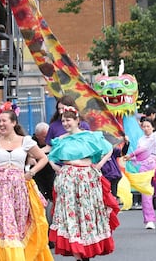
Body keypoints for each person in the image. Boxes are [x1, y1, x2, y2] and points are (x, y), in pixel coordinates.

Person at [0, 104, 53, 261]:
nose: (0, 124)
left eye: (4, 120)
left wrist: (31, 173)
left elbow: (43, 158)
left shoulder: (26, 141)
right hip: (0, 190)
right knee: (6, 227)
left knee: (20, 227)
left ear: (13, 123)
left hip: (19, 189)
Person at [48, 105, 119, 258]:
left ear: (77, 120)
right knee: (71, 213)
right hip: (68, 179)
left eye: (68, 120)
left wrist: (99, 165)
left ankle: (86, 251)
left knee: (86, 212)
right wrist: (58, 169)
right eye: (63, 121)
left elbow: (109, 149)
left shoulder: (90, 136)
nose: (65, 124)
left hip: (87, 178)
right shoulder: (61, 140)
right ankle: (78, 253)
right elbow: (51, 158)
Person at [124, 117, 156, 229]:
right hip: (145, 169)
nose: (146, 128)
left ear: (153, 127)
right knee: (146, 195)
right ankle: (149, 220)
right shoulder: (141, 140)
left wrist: (132, 154)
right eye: (143, 126)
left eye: (148, 126)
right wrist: (131, 158)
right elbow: (140, 156)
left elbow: (144, 149)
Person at [31, 122, 55, 203]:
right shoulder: (31, 144)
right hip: (38, 176)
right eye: (45, 137)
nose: (48, 139)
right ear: (37, 136)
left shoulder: (53, 142)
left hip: (51, 173)